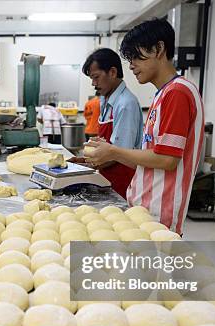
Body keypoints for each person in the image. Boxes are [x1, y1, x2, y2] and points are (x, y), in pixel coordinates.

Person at [85, 19, 204, 235]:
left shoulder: (177, 93)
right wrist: (110, 149)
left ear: (159, 49)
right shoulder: (163, 95)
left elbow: (168, 160)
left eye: (135, 56)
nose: (130, 66)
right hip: (145, 209)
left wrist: (113, 151)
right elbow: (152, 152)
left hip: (159, 216)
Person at [78, 48, 143, 199]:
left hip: (123, 182)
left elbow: (119, 153)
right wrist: (84, 159)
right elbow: (107, 145)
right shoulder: (106, 100)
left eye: (96, 77)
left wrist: (87, 166)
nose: (94, 84)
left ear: (112, 72)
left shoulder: (125, 104)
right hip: (108, 178)